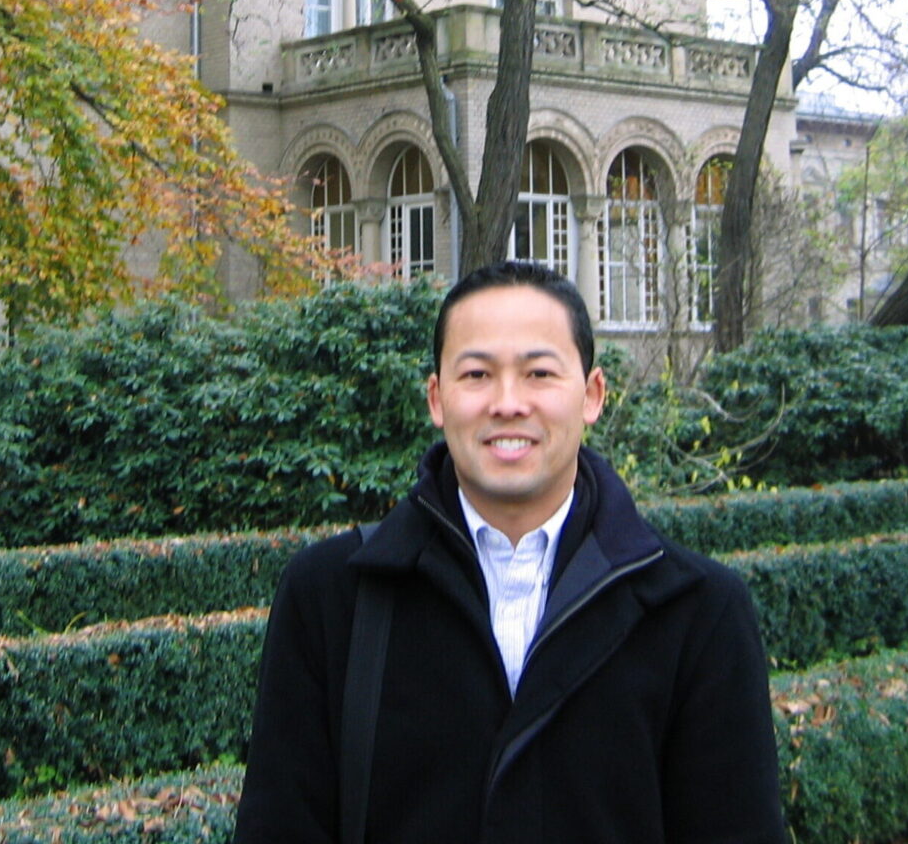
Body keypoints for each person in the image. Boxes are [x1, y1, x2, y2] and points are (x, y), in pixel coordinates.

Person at [232, 260, 788, 843]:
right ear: (437, 398)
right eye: (476, 375)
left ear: (592, 395)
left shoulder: (695, 610)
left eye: (539, 374)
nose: (507, 402)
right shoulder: (335, 597)